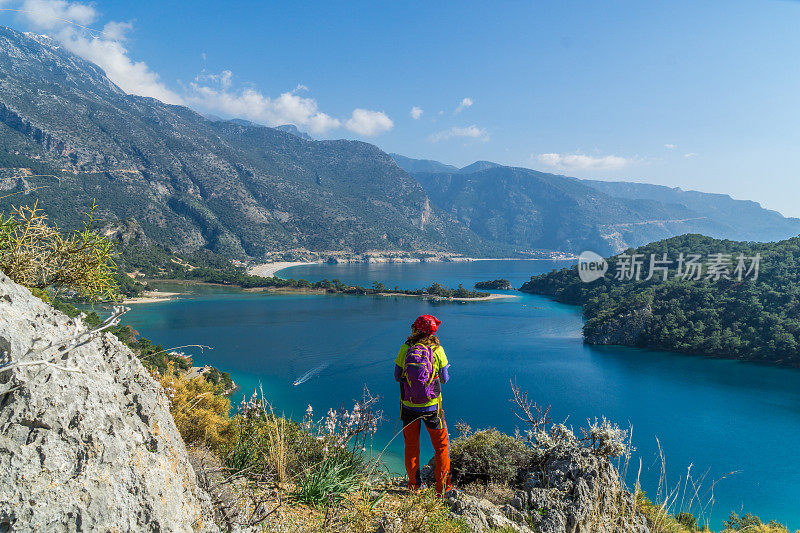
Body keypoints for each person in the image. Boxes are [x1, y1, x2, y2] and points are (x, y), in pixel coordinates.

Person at [394, 314, 452, 495]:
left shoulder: (406, 348)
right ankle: (442, 489)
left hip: (408, 406)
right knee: (441, 447)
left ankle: (414, 486)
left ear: (415, 329)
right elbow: (445, 379)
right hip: (432, 407)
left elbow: (397, 376)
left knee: (411, 446)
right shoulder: (437, 350)